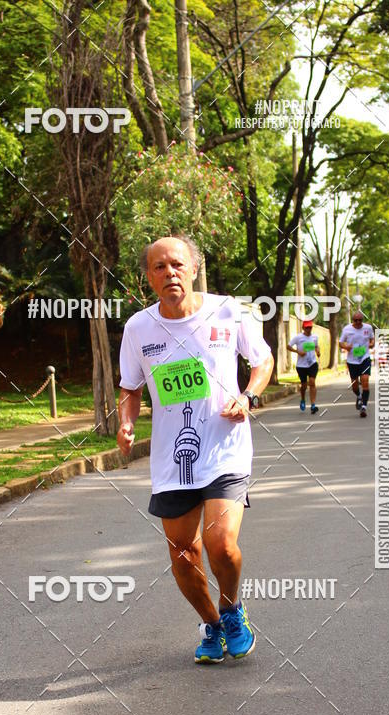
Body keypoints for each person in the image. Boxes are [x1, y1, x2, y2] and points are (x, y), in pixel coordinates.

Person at [117, 234, 274, 664]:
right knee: (184, 556)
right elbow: (130, 388)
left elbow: (262, 361)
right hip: (173, 459)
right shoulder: (138, 327)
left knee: (220, 544)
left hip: (225, 448)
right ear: (149, 277)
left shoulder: (228, 310)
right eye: (160, 267)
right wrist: (127, 421)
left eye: (177, 265)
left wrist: (248, 396)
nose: (170, 272)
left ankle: (231, 608)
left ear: (193, 268)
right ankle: (212, 623)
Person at [339, 310, 375, 418]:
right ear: (352, 320)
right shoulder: (347, 329)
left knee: (365, 381)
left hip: (365, 358)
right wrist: (346, 347)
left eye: (360, 320)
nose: (358, 322)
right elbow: (340, 343)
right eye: (356, 320)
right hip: (352, 361)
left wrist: (371, 344)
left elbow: (372, 339)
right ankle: (359, 396)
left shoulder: (368, 328)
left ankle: (364, 406)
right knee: (354, 385)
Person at [287, 320, 320, 413]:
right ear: (303, 328)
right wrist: (298, 352)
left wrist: (318, 351)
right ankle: (302, 399)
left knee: (312, 382)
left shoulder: (315, 337)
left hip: (312, 363)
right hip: (301, 365)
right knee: (304, 385)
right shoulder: (298, 337)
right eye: (307, 328)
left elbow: (317, 346)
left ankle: (313, 405)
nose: (308, 329)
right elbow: (288, 346)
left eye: (310, 327)